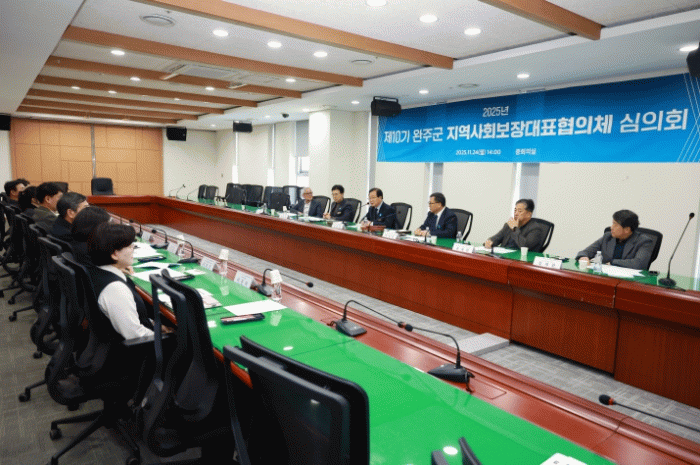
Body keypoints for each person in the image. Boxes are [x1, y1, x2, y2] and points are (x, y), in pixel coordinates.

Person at [87, 222, 154, 340]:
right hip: (138, 347)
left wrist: (155, 325)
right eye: (129, 246)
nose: (133, 249)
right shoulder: (116, 288)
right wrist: (162, 334)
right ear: (114, 254)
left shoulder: (97, 271)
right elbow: (135, 334)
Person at [576, 209, 654, 270]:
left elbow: (639, 264)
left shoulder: (644, 241)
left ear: (627, 229)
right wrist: (583, 257)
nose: (611, 227)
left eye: (615, 224)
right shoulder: (608, 237)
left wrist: (613, 262)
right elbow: (585, 252)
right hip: (606, 278)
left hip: (630, 282)